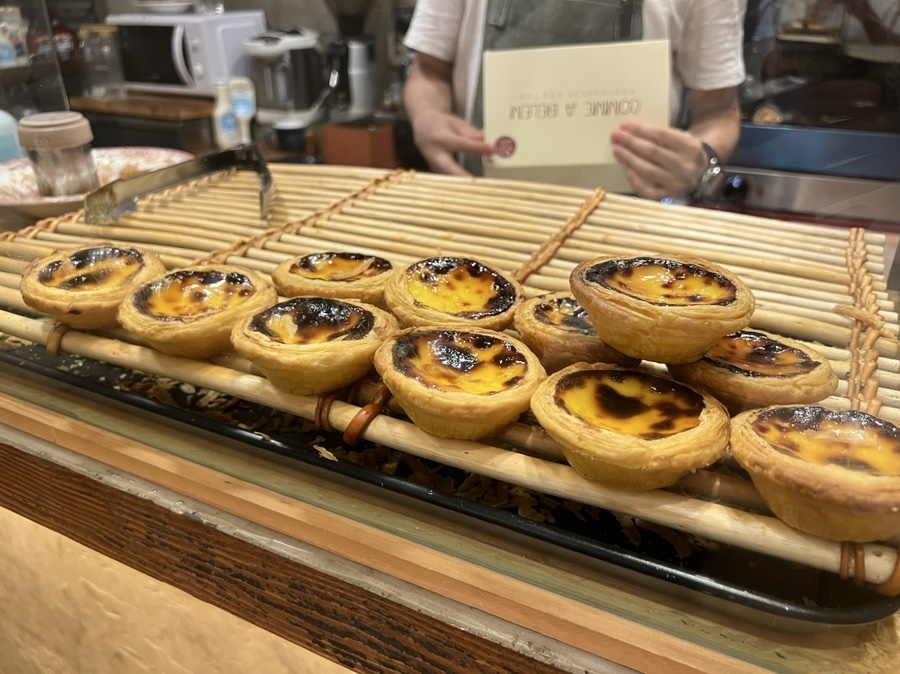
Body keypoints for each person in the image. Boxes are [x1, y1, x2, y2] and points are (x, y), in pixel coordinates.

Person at [402, 0, 747, 201]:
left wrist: (702, 162)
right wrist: (428, 116)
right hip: (479, 215)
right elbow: (429, 71)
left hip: (625, 235)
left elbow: (719, 111)